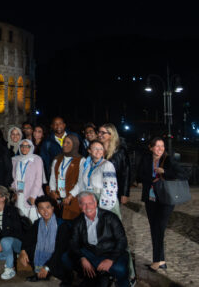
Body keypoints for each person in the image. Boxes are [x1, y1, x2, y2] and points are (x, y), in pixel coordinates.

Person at [62, 192, 130, 287]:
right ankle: (90, 277)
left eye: (90, 203)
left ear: (95, 203)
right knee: (66, 258)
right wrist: (82, 258)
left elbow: (122, 241)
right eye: (84, 204)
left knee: (121, 269)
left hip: (111, 252)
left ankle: (123, 283)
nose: (87, 206)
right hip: (91, 252)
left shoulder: (110, 217)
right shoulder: (78, 221)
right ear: (80, 206)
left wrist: (110, 259)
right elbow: (73, 243)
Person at [136, 137, 177, 272]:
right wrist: (150, 178)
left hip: (165, 199)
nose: (160, 148)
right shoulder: (146, 159)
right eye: (157, 146)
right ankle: (161, 261)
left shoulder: (169, 160)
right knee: (154, 228)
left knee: (159, 228)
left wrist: (164, 172)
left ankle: (157, 261)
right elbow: (140, 174)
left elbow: (181, 174)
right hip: (151, 198)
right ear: (151, 147)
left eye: (162, 146)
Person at [18, 196, 70, 282]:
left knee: (64, 255)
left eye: (48, 207)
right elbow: (28, 238)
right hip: (48, 255)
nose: (45, 211)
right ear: (38, 210)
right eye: (41, 208)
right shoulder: (38, 223)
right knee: (29, 248)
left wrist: (47, 267)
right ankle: (39, 273)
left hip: (58, 256)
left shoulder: (62, 225)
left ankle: (66, 277)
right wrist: (23, 251)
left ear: (53, 208)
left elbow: (59, 250)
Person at [67, 140, 118, 214]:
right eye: (95, 148)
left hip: (103, 201)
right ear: (89, 151)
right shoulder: (85, 165)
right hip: (89, 201)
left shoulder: (107, 165)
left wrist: (103, 207)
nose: (98, 151)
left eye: (101, 149)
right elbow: (80, 183)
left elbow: (110, 188)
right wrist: (70, 195)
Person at [45, 133, 82, 220]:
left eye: (68, 143)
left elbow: (81, 181)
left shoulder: (81, 160)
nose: (64, 145)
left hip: (73, 199)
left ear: (75, 144)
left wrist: (70, 196)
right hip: (58, 198)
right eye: (64, 142)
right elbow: (53, 177)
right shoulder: (57, 159)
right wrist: (52, 191)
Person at [40, 117, 85, 181]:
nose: (58, 126)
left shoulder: (74, 136)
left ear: (64, 125)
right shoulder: (47, 142)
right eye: (55, 124)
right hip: (57, 176)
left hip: (75, 173)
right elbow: (45, 162)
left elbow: (82, 152)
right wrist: (49, 178)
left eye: (60, 123)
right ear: (52, 126)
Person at [11, 139, 45, 221]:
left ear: (31, 147)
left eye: (27, 146)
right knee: (21, 220)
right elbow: (13, 177)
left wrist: (33, 196)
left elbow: (38, 180)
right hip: (19, 194)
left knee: (33, 219)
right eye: (22, 146)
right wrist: (13, 191)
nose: (24, 148)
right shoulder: (15, 160)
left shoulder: (37, 159)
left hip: (33, 194)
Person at [98, 123, 130, 206]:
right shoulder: (96, 149)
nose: (99, 134)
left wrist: (125, 193)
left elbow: (126, 172)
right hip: (98, 188)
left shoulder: (120, 151)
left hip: (113, 190)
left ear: (111, 134)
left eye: (103, 133)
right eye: (99, 132)